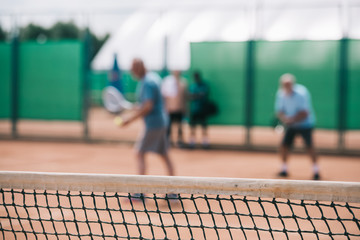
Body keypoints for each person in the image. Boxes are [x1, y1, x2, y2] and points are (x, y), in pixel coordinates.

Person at [121, 58, 175, 177]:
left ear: (140, 67)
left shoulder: (147, 82)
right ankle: (173, 190)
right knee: (164, 154)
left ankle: (140, 190)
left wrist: (129, 120)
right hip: (162, 121)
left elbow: (148, 106)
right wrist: (139, 107)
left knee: (139, 152)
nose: (132, 72)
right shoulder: (153, 77)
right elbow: (149, 103)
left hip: (154, 123)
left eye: (134, 69)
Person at [275, 73, 320, 180]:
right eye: (284, 84)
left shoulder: (302, 93)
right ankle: (284, 169)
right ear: (281, 84)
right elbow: (279, 111)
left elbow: (305, 113)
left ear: (293, 84)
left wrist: (291, 120)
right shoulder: (280, 94)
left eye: (289, 84)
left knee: (309, 147)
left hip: (305, 124)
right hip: (291, 125)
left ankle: (316, 171)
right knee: (284, 146)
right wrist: (284, 119)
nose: (287, 86)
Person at [161, 70, 187, 147]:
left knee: (179, 126)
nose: (177, 73)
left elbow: (184, 97)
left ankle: (180, 141)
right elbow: (164, 96)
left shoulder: (183, 83)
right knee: (169, 125)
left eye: (178, 72)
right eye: (175, 71)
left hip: (179, 109)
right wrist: (165, 107)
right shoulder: (167, 82)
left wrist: (184, 108)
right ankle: (168, 141)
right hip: (170, 109)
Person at [188, 71, 210, 148]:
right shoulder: (192, 86)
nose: (196, 78)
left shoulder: (204, 85)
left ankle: (205, 142)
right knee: (192, 127)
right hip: (194, 110)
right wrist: (197, 95)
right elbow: (190, 96)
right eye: (195, 76)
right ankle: (192, 142)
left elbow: (203, 95)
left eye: (197, 76)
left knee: (204, 126)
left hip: (202, 110)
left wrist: (195, 95)